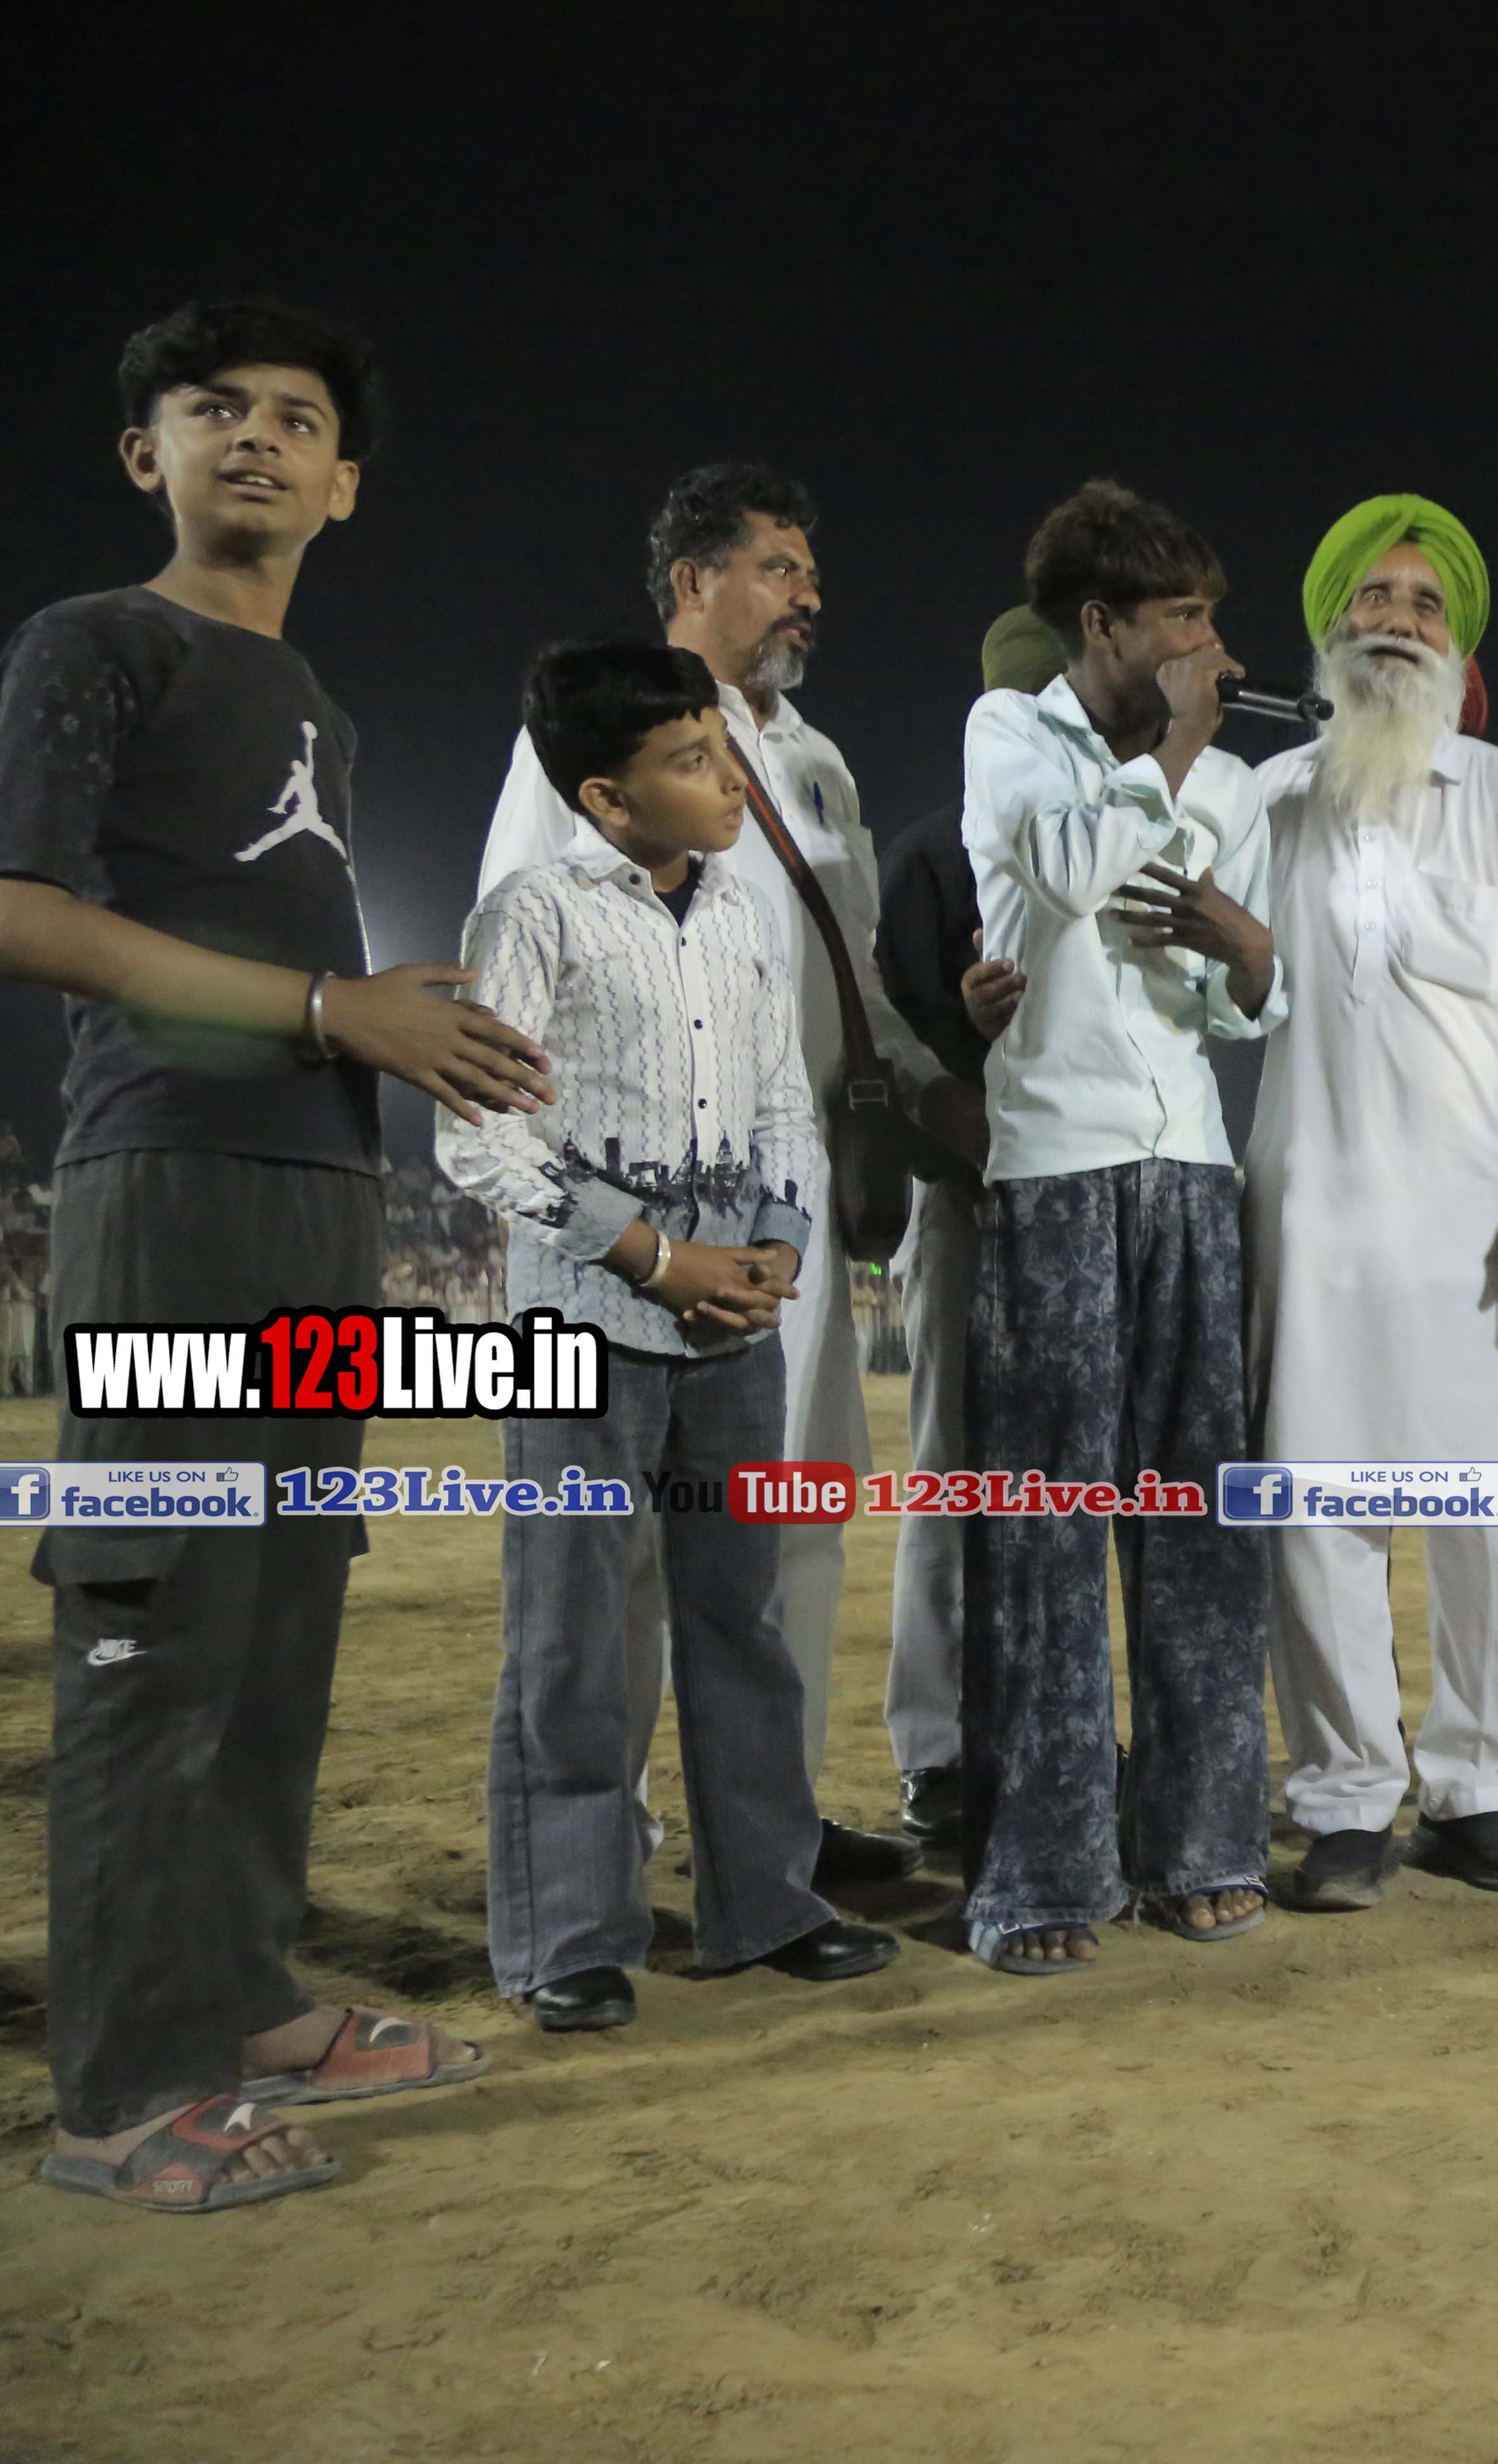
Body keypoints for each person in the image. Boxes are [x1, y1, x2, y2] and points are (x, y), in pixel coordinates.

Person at [0, 300, 539, 2211]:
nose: (260, 437)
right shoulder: (95, 641)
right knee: (155, 1616)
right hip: (169, 1178)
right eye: (215, 409)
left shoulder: (316, 705)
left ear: (344, 484)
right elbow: (10, 920)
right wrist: (325, 1006)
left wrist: (379, 1026)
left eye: (300, 418)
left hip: (316, 1185)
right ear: (148, 454)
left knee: (285, 1607)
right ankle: (128, 2092)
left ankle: (248, 2001)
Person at [473, 462, 939, 1888]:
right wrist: (615, 1231)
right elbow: (519, 996)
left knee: (794, 1512)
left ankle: (770, 1831)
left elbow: (854, 982)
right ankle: (599, 1846)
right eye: (779, 567)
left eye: (809, 571)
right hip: (629, 1228)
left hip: (784, 1211)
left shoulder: (819, 761)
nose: (810, 595)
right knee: (616, 1554)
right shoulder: (592, 737)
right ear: (691, 580)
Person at [441, 638, 895, 2024]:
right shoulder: (534, 916)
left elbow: (781, 1106)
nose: (730, 782)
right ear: (606, 795)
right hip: (581, 1332)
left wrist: (779, 1250)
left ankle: (764, 1905)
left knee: (740, 1624)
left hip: (730, 1336)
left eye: (725, 750)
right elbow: (479, 1136)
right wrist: (656, 1256)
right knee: (573, 1636)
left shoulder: (743, 917)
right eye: (692, 761)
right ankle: (570, 1937)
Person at [1250, 494, 1498, 1910]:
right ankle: (1346, 1797)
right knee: (1317, 1514)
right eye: (1374, 598)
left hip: (1483, 1231)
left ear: (1458, 645)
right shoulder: (1268, 802)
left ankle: (1474, 1787)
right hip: (1310, 1223)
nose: (1397, 622)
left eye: (1425, 605)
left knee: (1483, 1520)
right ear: (1329, 627)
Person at [959, 482, 1285, 1973]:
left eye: (1212, 616)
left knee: (1203, 1527)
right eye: (1182, 619)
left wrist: (1245, 951)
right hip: (1058, 1165)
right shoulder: (1011, 735)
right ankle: (1039, 1876)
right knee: (1045, 1533)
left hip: (1189, 1160)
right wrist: (1177, 751)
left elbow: (1240, 1005)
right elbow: (1069, 869)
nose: (1210, 645)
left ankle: (1205, 1844)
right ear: (1102, 625)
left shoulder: (1226, 787)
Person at [868, 607, 1062, 1849]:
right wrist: (971, 1076)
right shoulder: (935, 854)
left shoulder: (1118, 836)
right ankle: (937, 1748)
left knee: (1067, 1484)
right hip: (968, 1200)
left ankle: (1049, 1725)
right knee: (952, 1475)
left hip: (1087, 1202)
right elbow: (892, 1045)